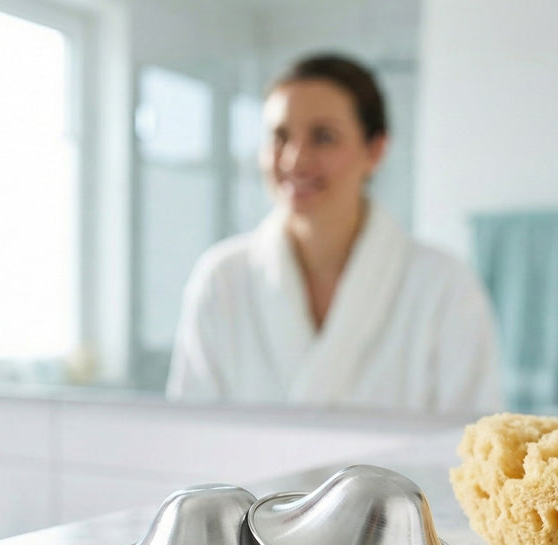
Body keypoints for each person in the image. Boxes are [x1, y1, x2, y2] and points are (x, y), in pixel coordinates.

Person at [166, 54, 502, 413]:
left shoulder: (445, 286)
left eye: (323, 137)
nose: (294, 160)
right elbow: (191, 438)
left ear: (375, 150)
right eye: (280, 136)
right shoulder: (222, 278)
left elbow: (474, 449)